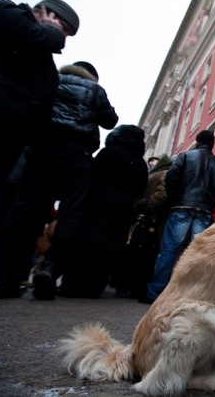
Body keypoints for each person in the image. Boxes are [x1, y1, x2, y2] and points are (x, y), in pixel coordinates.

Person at [0, 61, 117, 299]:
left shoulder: (52, 81)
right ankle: (51, 267)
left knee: (25, 212)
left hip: (42, 150)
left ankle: (6, 276)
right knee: (70, 214)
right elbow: (110, 120)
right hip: (78, 154)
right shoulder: (94, 90)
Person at [0, 0, 79, 209]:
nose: (62, 37)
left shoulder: (42, 55)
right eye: (62, 28)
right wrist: (51, 34)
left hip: (9, 137)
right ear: (44, 13)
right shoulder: (2, 9)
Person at [59, 125, 148, 299]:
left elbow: (91, 176)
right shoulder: (139, 162)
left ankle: (72, 285)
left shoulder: (107, 153)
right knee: (110, 247)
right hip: (122, 209)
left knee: (85, 242)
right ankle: (94, 287)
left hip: (96, 204)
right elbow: (141, 188)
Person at [140, 130, 215, 304]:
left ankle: (154, 292)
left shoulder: (185, 156)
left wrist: (175, 197)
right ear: (212, 144)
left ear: (197, 141)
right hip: (204, 211)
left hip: (181, 207)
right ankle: (190, 295)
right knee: (197, 254)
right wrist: (209, 203)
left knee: (169, 250)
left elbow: (170, 178)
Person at [117, 154, 172, 299]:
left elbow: (155, 194)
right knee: (145, 255)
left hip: (144, 220)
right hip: (151, 220)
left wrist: (144, 206)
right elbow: (160, 195)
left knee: (137, 252)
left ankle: (127, 287)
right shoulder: (164, 174)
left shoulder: (156, 174)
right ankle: (136, 288)